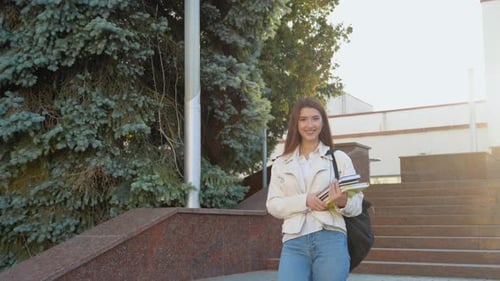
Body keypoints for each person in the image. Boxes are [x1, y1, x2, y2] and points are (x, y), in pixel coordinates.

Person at [266, 96, 363, 281]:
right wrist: (306, 200)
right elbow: (273, 205)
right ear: (296, 124)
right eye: (303, 119)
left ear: (323, 122)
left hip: (331, 238)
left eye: (315, 118)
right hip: (294, 241)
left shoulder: (339, 159)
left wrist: (342, 201)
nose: (309, 125)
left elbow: (357, 204)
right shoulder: (281, 163)